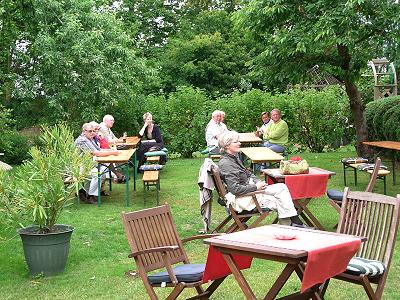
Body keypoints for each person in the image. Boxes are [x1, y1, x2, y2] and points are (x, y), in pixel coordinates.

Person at [217, 130, 304, 226]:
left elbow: (248, 173)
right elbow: (235, 189)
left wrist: (258, 182)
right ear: (227, 145)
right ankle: (294, 224)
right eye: (236, 142)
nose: (239, 143)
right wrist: (256, 187)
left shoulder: (233, 157)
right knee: (282, 199)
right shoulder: (227, 163)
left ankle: (291, 226)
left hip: (249, 192)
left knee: (282, 190)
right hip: (243, 198)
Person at [75, 123, 119, 204]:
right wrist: (113, 152)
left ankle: (86, 193)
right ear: (84, 131)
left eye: (93, 131)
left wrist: (112, 151)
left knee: (102, 171)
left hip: (87, 165)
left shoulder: (89, 139)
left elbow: (99, 149)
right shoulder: (82, 140)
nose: (92, 133)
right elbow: (97, 153)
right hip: (78, 167)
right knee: (98, 174)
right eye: (90, 131)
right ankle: (90, 195)